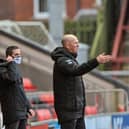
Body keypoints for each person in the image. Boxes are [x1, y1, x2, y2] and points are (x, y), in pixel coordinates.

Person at [51, 34, 112, 129]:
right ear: (67, 45)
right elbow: (77, 70)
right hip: (68, 111)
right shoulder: (62, 61)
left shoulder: (71, 60)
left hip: (77, 110)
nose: (78, 45)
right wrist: (96, 61)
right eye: (76, 43)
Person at [0, 46, 34, 129]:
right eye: (16, 55)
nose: (19, 57)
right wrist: (11, 63)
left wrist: (28, 107)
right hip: (12, 110)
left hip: (22, 110)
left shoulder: (14, 68)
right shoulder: (2, 68)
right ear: (9, 56)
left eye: (20, 54)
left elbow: (20, 90)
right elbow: (12, 79)